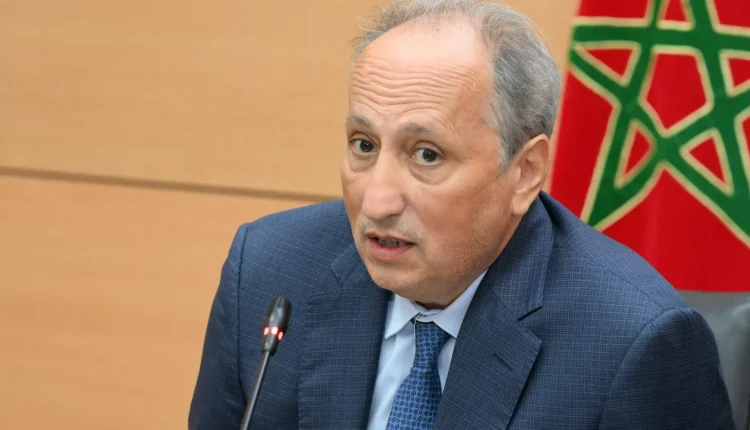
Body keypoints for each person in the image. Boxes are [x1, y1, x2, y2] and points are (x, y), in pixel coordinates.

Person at [188, 0, 735, 428]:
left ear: (525, 171)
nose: (376, 202)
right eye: (363, 145)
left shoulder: (630, 346)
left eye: (426, 155)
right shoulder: (267, 274)